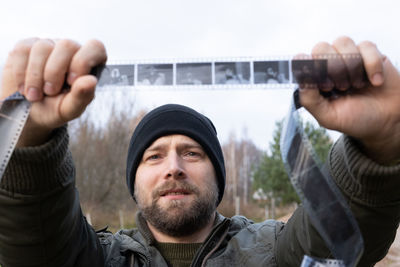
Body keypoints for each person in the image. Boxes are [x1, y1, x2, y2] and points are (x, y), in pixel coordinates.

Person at [0, 36, 400, 266]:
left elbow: (333, 241)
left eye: (192, 153)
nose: (173, 167)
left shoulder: (274, 251)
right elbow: (37, 243)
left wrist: (380, 146)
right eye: (154, 156)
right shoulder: (97, 259)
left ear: (219, 174)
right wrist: (28, 142)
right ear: (133, 180)